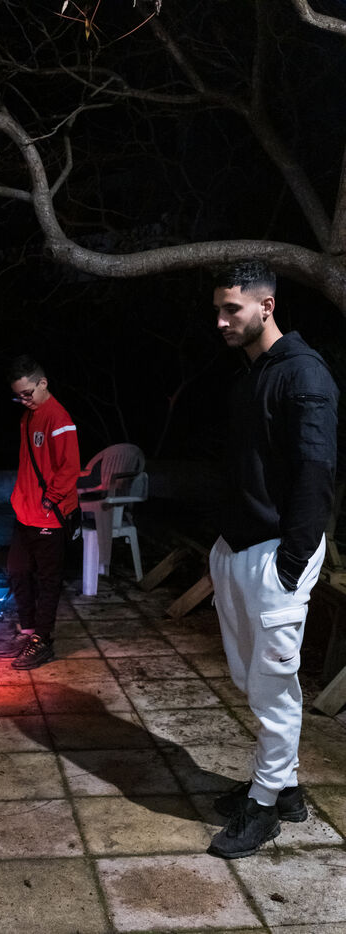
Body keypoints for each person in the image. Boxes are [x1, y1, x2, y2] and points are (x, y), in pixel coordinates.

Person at [207, 261, 338, 859]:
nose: (221, 320)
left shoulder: (303, 374)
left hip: (276, 554)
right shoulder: (252, 375)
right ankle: (283, 789)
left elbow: (316, 472)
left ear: (267, 306)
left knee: (273, 688)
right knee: (249, 679)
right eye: (218, 309)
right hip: (237, 548)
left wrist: (291, 561)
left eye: (231, 309)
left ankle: (263, 809)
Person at [0, 355, 80, 669]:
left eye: (28, 393)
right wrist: (22, 498)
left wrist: (50, 500)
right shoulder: (28, 416)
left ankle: (42, 640)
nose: (24, 400)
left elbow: (69, 467)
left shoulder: (59, 419)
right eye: (18, 396)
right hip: (25, 511)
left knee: (48, 580)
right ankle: (28, 631)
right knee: (17, 571)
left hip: (48, 515)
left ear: (43, 383)